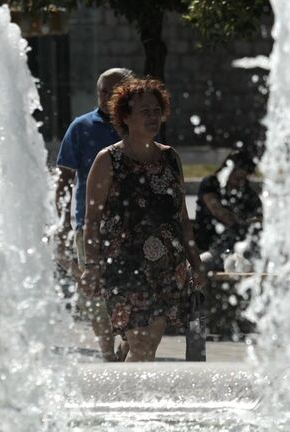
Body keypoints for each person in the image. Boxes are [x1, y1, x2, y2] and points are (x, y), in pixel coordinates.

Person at [79, 78, 206, 362]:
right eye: (144, 111)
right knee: (142, 344)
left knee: (146, 343)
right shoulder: (108, 160)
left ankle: (127, 387)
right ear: (126, 116)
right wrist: (91, 266)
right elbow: (92, 219)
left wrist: (195, 262)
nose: (153, 116)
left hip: (166, 269)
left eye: (156, 110)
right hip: (124, 267)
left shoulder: (170, 157)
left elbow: (182, 216)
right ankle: (128, 401)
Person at [55, 67, 132, 362]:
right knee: (96, 291)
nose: (106, 97)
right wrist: (63, 222)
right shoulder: (81, 127)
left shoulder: (136, 126)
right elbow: (63, 179)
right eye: (102, 91)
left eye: (113, 91)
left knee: (131, 289)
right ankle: (106, 352)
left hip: (131, 225)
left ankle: (129, 346)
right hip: (89, 224)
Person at [194, 150, 262, 271]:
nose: (239, 182)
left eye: (244, 178)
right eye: (237, 177)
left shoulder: (246, 192)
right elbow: (219, 212)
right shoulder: (211, 184)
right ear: (228, 169)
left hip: (234, 246)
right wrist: (243, 221)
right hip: (209, 244)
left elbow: (260, 217)